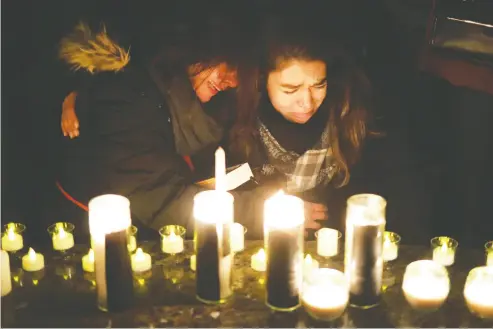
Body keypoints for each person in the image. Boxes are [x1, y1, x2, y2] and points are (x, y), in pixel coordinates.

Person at [58, 15, 372, 236]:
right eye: (230, 65)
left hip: (162, 224)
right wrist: (262, 211)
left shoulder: (208, 97)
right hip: (91, 227)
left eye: (242, 73)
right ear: (197, 52)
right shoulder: (126, 100)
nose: (233, 80)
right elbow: (160, 199)